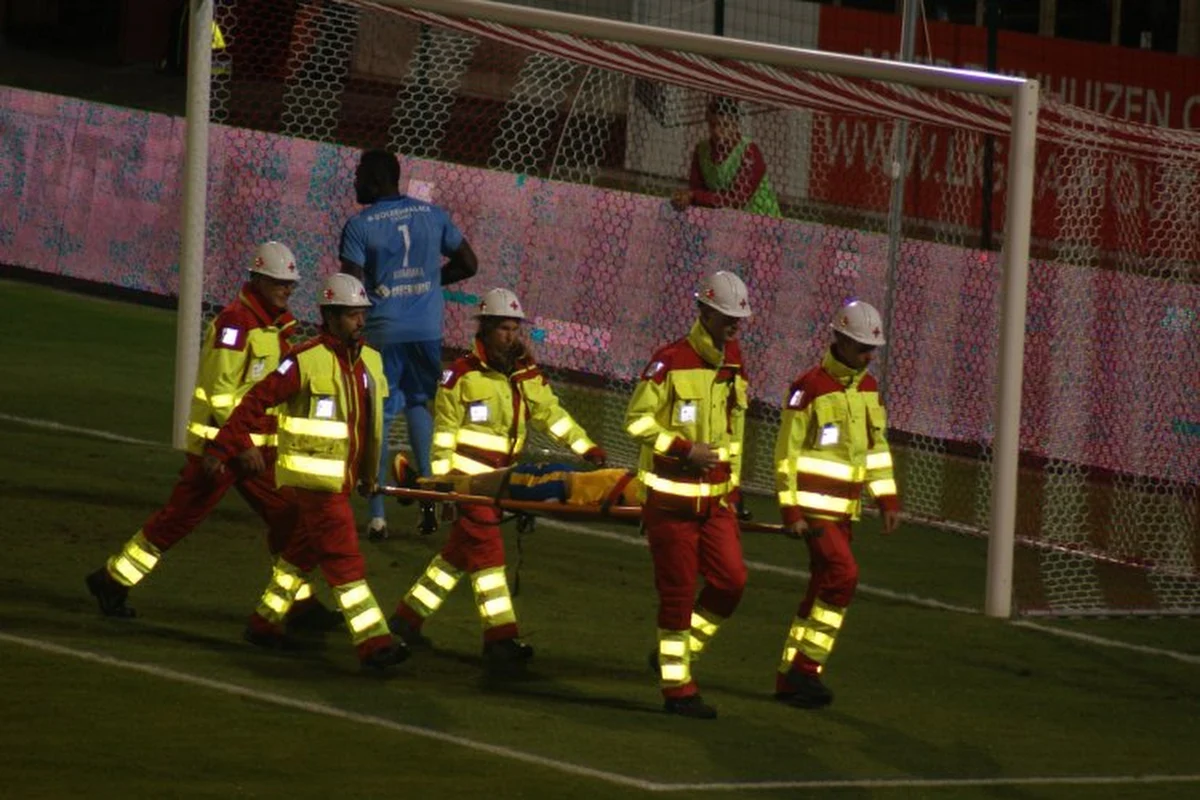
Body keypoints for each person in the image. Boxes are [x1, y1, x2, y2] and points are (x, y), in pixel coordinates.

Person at [85, 241, 335, 629]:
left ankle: (297, 603)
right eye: (279, 282)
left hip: (251, 451)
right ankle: (112, 580)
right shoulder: (237, 325)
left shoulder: (270, 325)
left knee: (291, 519)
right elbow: (221, 392)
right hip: (220, 450)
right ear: (258, 280)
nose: (287, 289)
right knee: (178, 520)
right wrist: (241, 445)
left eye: (290, 283)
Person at [387, 288, 606, 674]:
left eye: (514, 328)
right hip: (470, 487)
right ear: (485, 329)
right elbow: (444, 434)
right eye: (503, 328)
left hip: (503, 482)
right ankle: (500, 640)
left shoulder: (524, 374)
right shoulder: (461, 377)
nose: (511, 335)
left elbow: (550, 415)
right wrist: (443, 484)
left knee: (455, 559)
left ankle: (406, 620)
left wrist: (586, 448)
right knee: (489, 562)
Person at [202, 273, 408, 671]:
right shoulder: (303, 361)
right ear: (329, 317)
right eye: (351, 316)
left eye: (362, 315)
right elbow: (254, 403)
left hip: (341, 483)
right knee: (345, 562)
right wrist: (223, 447)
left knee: (298, 557)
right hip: (314, 487)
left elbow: (370, 427)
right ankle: (374, 642)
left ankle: (264, 621)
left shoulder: (370, 362)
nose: (360, 322)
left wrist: (367, 474)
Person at [623, 271, 752, 720]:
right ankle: (677, 689)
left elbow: (734, 434)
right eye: (727, 316)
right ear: (705, 313)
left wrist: (732, 491)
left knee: (731, 582)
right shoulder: (669, 362)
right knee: (677, 594)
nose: (735, 324)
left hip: (715, 504)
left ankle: (674, 653)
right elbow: (637, 422)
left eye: (739, 317)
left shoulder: (733, 363)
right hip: (671, 505)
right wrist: (683, 449)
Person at [339, 148, 479, 540]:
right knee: (419, 403)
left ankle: (378, 514)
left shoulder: (360, 225)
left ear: (377, 180)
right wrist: (431, 282)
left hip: (383, 330)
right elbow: (469, 263)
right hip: (426, 330)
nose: (355, 182)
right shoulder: (433, 215)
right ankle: (429, 501)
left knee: (378, 416)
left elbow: (350, 286)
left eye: (360, 175)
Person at [772, 300, 901, 708]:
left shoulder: (867, 389)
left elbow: (876, 449)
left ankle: (788, 679)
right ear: (841, 341)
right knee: (844, 577)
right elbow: (786, 455)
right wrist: (791, 510)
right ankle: (807, 668)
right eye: (862, 348)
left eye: (871, 350)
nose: (868, 357)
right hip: (816, 513)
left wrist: (886, 495)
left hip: (846, 512)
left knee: (818, 591)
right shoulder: (809, 387)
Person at [671, 96, 781, 218]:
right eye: (713, 125)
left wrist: (695, 196)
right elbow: (696, 187)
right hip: (724, 220)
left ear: (735, 125)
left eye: (725, 125)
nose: (717, 131)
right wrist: (689, 196)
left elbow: (737, 199)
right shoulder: (702, 150)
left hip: (761, 220)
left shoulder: (749, 151)